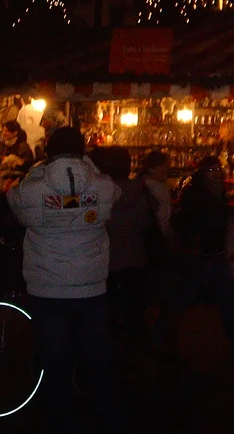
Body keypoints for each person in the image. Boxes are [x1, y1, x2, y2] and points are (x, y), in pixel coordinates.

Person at [6, 127, 126, 434]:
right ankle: (107, 419)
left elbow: (14, 201)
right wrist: (90, 169)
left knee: (55, 360)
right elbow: (115, 194)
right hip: (91, 286)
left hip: (47, 287)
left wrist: (37, 173)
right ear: (82, 151)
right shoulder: (101, 185)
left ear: (49, 152)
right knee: (98, 360)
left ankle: (61, 421)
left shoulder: (33, 187)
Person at [155, 156, 234, 361]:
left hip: (211, 252)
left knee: (219, 301)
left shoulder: (212, 192)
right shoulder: (200, 194)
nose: (217, 173)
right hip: (203, 254)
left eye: (218, 169)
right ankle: (157, 336)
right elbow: (191, 220)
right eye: (212, 170)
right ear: (204, 173)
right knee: (187, 298)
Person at [89, 146, 152, 351]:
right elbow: (147, 225)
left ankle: (107, 353)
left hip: (105, 261)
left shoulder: (98, 195)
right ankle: (136, 354)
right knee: (135, 311)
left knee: (105, 313)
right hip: (135, 258)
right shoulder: (140, 192)